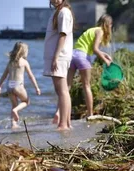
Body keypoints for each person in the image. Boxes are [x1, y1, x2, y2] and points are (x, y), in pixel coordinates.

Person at [54, 14, 113, 122]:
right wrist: (106, 61)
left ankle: (58, 112)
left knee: (67, 86)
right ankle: (90, 114)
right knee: (86, 86)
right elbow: (95, 49)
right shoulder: (100, 31)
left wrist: (104, 54)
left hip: (73, 55)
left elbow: (89, 47)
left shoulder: (92, 30)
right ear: (109, 24)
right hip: (83, 57)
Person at [43, 0, 74, 130]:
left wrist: (56, 56)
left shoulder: (64, 12)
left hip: (59, 56)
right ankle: (67, 122)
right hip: (56, 56)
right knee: (61, 90)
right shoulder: (57, 12)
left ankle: (63, 124)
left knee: (62, 90)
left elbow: (63, 35)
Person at [0, 42, 41, 129]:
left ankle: (13, 124)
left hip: (9, 86)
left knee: (14, 105)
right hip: (18, 86)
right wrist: (37, 87)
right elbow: (31, 76)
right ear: (24, 51)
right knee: (26, 101)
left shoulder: (10, 62)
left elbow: (4, 75)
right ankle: (15, 111)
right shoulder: (24, 62)